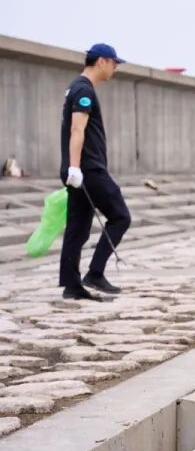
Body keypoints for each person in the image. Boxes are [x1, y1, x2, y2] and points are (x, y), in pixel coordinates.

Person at [58, 43, 132, 301]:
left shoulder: (76, 87)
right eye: (114, 63)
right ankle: (95, 273)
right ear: (101, 61)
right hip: (88, 169)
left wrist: (72, 167)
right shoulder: (83, 90)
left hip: (80, 169)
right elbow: (77, 130)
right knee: (120, 217)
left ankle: (71, 285)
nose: (115, 68)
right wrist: (76, 167)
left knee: (77, 227)